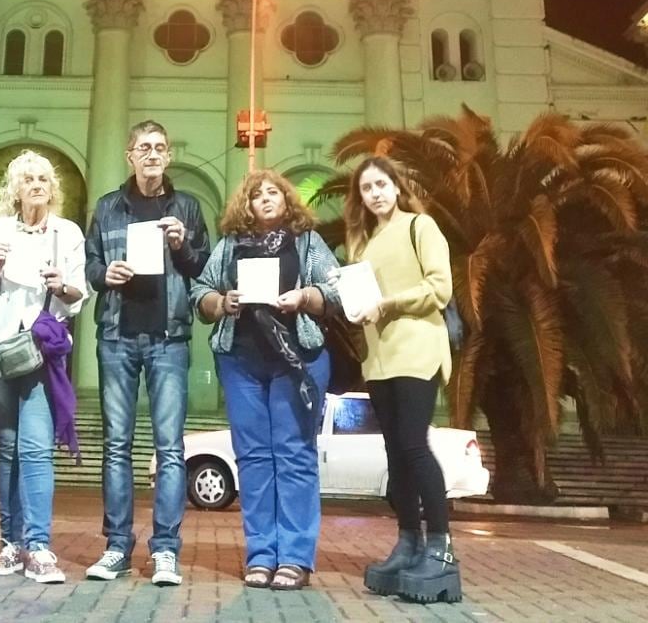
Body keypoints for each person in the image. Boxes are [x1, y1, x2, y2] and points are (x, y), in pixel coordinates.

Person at [192, 171, 341, 591]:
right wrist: (222, 302)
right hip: (241, 362)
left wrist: (305, 297)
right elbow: (200, 292)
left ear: (286, 199)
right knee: (254, 458)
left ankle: (294, 557)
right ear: (247, 204)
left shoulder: (307, 242)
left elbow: (336, 290)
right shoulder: (229, 245)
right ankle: (261, 554)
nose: (266, 199)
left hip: (298, 362)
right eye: (257, 195)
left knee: (294, 455)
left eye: (273, 192)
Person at [83, 119, 210, 587]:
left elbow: (203, 266)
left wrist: (182, 244)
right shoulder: (108, 207)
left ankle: (166, 550)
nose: (152, 154)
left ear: (168, 156)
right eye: (144, 147)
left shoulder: (187, 207)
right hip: (117, 335)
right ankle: (117, 546)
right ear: (130, 156)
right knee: (116, 445)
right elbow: (90, 263)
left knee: (170, 448)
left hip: (169, 338)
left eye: (159, 147)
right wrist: (104, 275)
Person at [343, 154, 460, 605]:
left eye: (381, 184)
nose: (374, 194)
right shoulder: (363, 245)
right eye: (366, 188)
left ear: (397, 186)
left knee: (413, 445)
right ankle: (409, 542)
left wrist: (387, 303)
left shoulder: (420, 227)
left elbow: (440, 287)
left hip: (416, 348)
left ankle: (441, 548)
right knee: (395, 452)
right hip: (379, 358)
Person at [0, 150, 88, 584]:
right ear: (15, 190)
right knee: (7, 448)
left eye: (43, 179)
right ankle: (11, 544)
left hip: (41, 350)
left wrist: (64, 285)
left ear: (51, 189)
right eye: (28, 179)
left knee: (35, 448)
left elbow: (79, 295)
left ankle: (38, 546)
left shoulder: (66, 233)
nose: (36, 185)